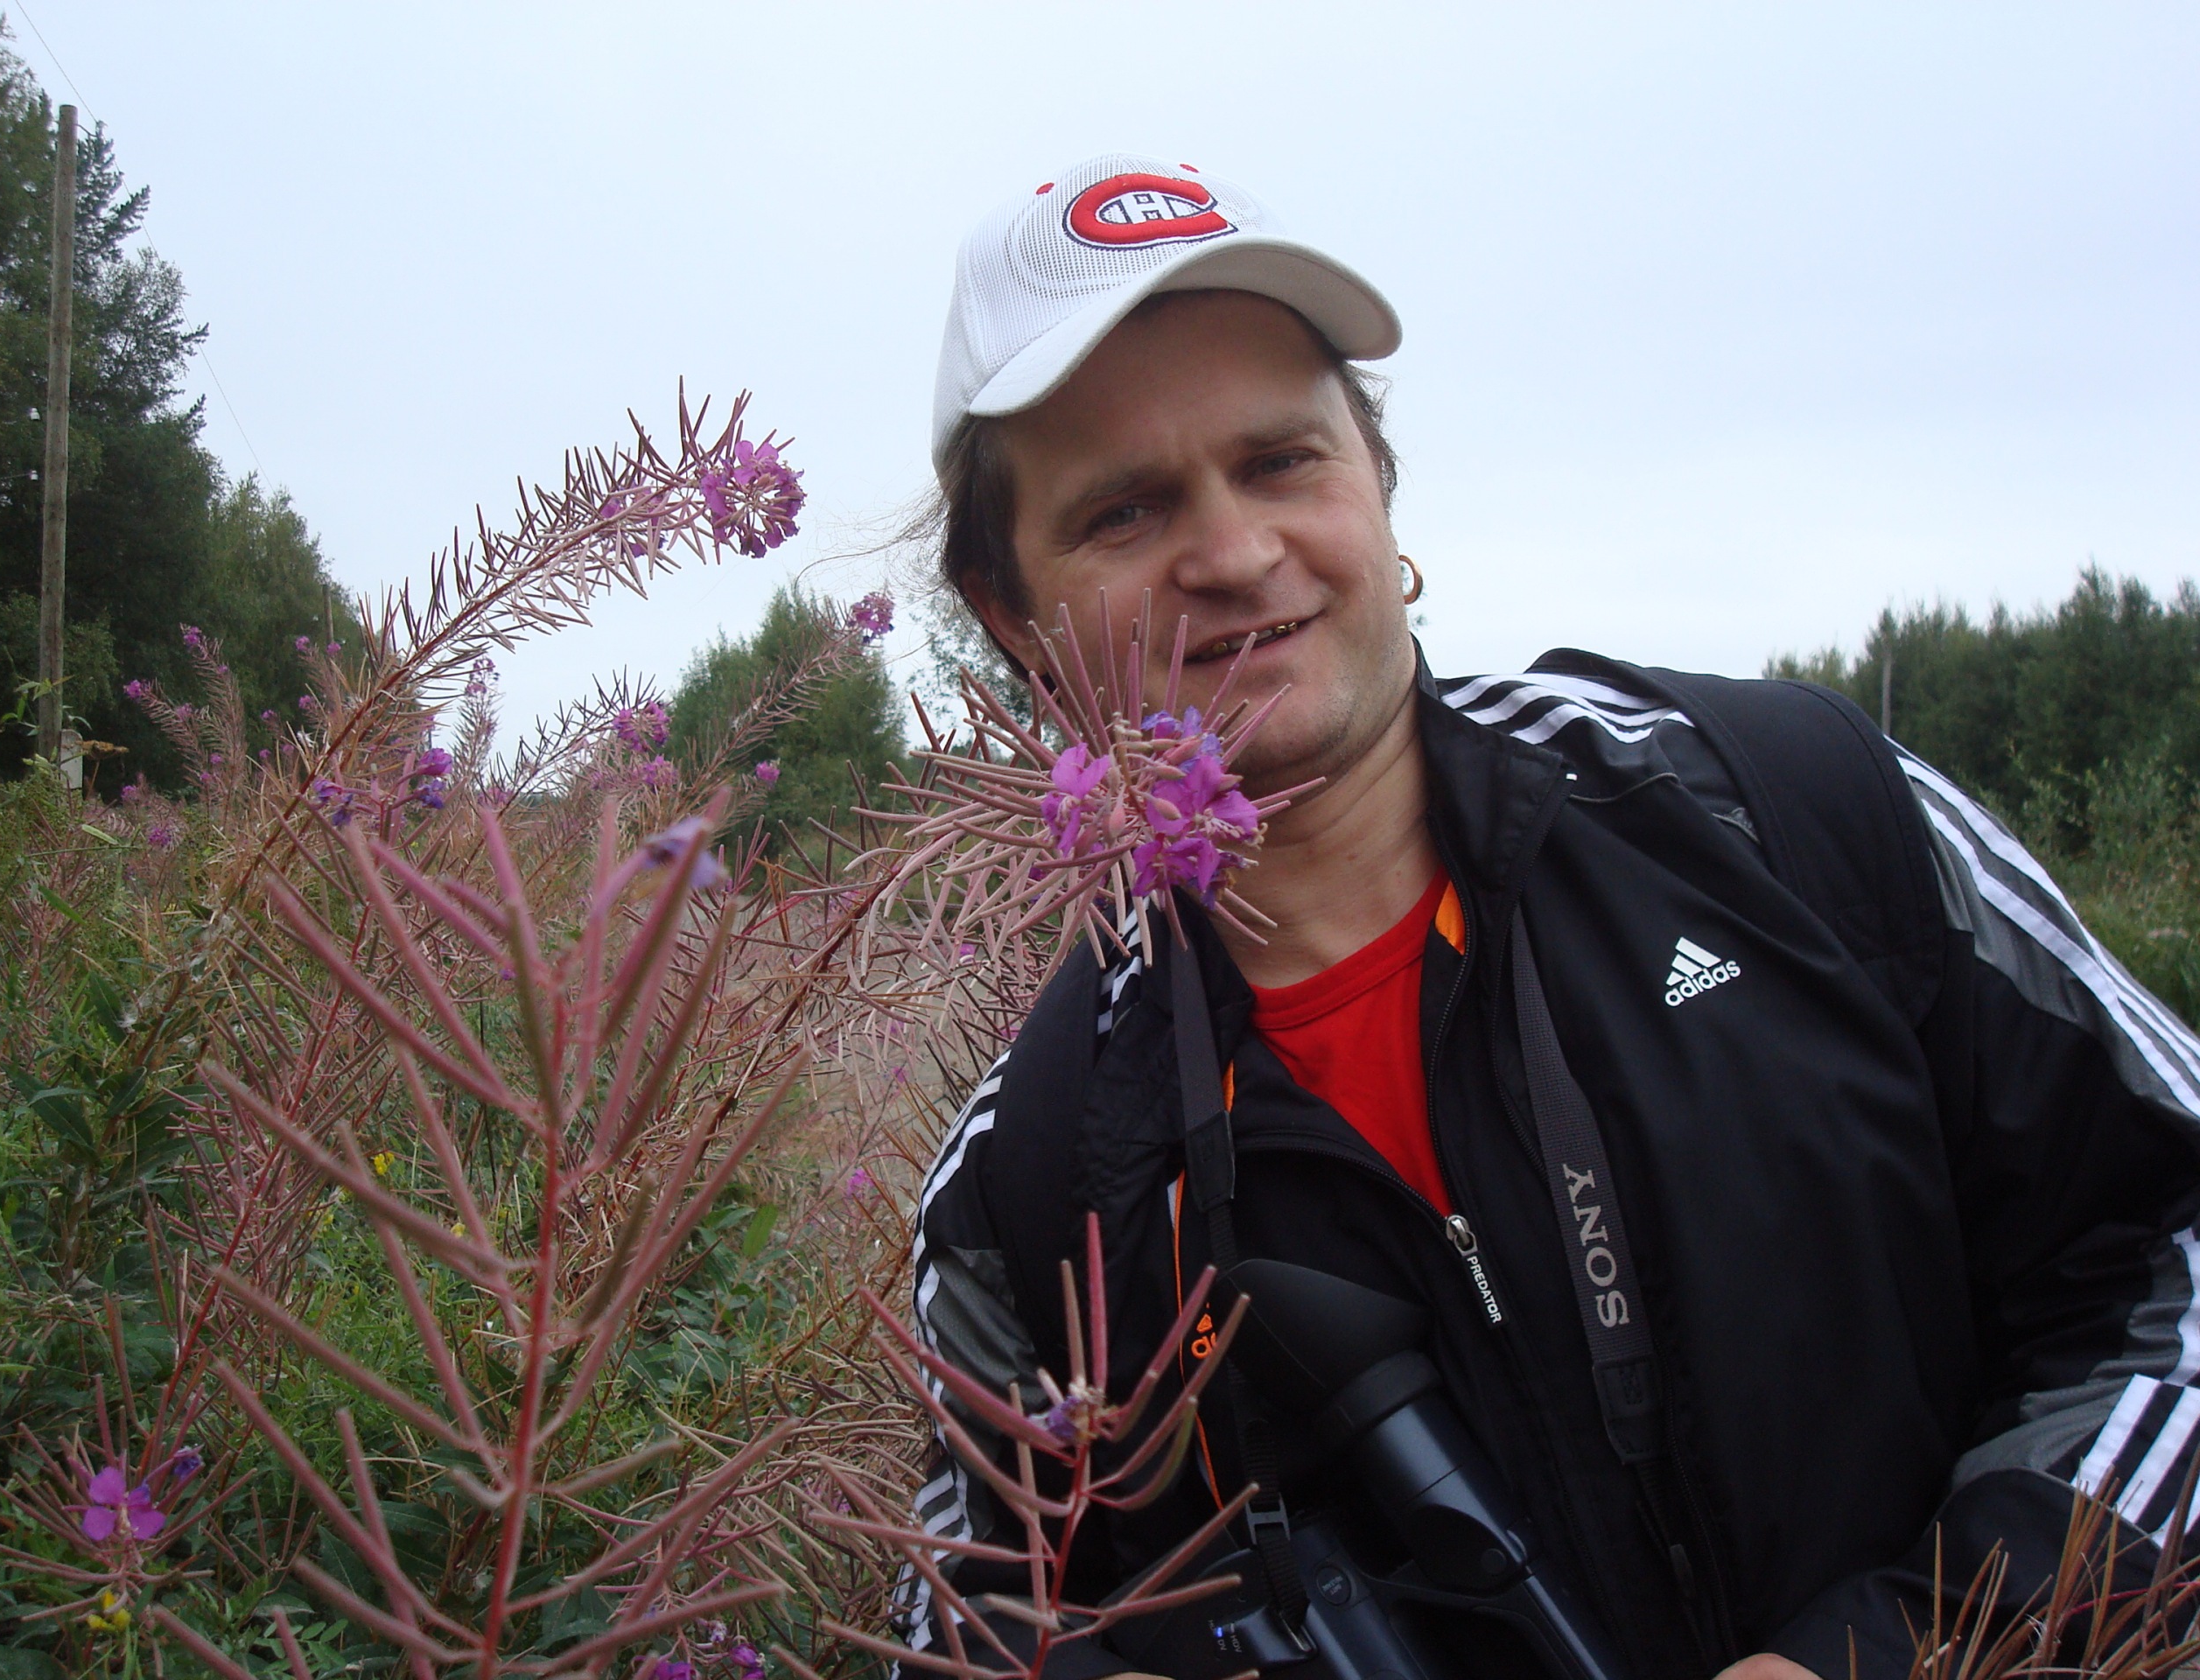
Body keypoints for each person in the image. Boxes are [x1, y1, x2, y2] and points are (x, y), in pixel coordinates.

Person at [900, 151, 2200, 1679]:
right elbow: (970, 1627)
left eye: (1282, 460)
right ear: (1008, 609)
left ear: (1378, 478)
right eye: (1125, 512)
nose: (1237, 554)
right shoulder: (1029, 1179)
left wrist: (1909, 1648)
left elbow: (2168, 1245)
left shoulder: (1777, 808)